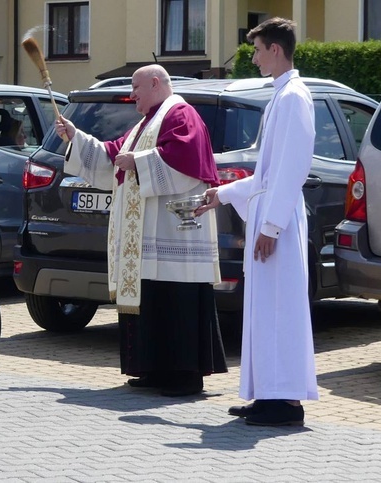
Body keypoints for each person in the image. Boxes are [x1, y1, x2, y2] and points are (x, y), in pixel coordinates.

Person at [55, 64, 227, 397]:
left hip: (174, 233)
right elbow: (113, 155)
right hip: (149, 239)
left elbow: (185, 158)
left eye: (136, 87)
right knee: (153, 299)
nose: (132, 94)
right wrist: (76, 137)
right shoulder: (147, 123)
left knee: (176, 301)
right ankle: (156, 370)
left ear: (155, 83)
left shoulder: (181, 114)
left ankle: (184, 375)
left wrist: (141, 162)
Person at [195, 18, 319, 425]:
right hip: (271, 214)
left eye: (258, 49)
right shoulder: (280, 96)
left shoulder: (294, 98)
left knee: (281, 308)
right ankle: (268, 393)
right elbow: (266, 175)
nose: (254, 56)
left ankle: (286, 402)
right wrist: (224, 194)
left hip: (277, 222)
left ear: (277, 51)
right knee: (264, 309)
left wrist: (271, 228)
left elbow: (292, 169)